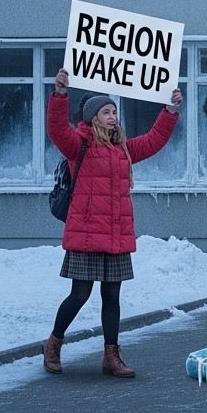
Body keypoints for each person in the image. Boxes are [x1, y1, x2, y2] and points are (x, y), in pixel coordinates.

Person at [43, 69, 182, 378]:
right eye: (106, 112)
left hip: (116, 234)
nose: (112, 116)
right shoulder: (78, 145)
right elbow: (56, 128)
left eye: (114, 111)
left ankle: (111, 356)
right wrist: (60, 95)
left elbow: (154, 140)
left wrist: (170, 110)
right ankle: (53, 342)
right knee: (79, 295)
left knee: (112, 296)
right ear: (93, 117)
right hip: (87, 235)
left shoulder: (124, 150)